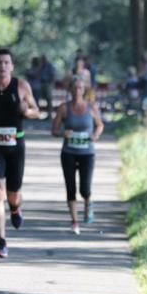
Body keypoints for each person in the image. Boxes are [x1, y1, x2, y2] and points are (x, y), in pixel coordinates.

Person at [0, 47, 41, 257]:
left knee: (13, 194)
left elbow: (37, 112)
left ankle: (15, 208)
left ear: (12, 66)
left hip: (16, 147)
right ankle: (2, 242)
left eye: (6, 63)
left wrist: (26, 111)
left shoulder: (21, 86)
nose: (2, 66)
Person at [52, 76, 104, 234]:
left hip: (87, 153)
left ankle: (88, 203)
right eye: (74, 88)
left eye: (80, 88)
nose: (77, 91)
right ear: (70, 90)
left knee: (85, 188)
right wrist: (62, 133)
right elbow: (54, 130)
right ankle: (74, 221)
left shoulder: (91, 107)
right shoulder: (63, 108)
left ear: (84, 90)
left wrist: (95, 135)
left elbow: (100, 125)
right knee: (71, 188)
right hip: (68, 152)